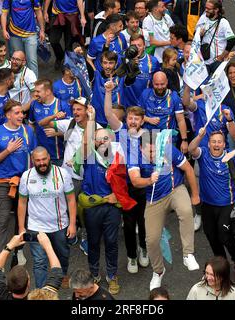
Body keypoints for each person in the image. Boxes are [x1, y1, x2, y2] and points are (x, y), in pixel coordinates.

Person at [128, 130, 200, 291]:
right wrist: (148, 180)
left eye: (157, 150)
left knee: (186, 211)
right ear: (141, 149)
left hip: (175, 189)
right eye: (151, 151)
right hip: (153, 199)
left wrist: (195, 195)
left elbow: (188, 169)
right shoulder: (134, 157)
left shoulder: (168, 149)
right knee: (151, 240)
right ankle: (158, 271)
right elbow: (134, 181)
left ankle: (188, 254)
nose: (155, 154)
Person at [188, 129, 235, 280]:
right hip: (207, 204)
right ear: (209, 144)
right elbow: (191, 149)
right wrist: (199, 135)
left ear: (224, 144)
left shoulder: (230, 155)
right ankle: (221, 264)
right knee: (211, 235)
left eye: (219, 142)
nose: (216, 144)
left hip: (227, 203)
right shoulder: (203, 153)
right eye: (213, 142)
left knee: (224, 234)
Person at [41, 97, 103, 256]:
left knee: (87, 209)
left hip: (89, 177)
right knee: (67, 206)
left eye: (79, 109)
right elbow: (42, 123)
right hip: (69, 176)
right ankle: (70, 232)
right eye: (74, 109)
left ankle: (86, 237)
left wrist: (92, 121)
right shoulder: (69, 123)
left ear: (87, 111)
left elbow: (88, 145)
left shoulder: (97, 128)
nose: (75, 112)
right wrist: (55, 118)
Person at [78, 105, 128, 295]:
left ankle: (112, 275)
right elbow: (85, 143)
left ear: (111, 139)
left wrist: (118, 195)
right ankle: (93, 274)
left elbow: (125, 181)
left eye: (105, 138)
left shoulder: (118, 157)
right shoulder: (89, 156)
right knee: (93, 241)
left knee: (112, 241)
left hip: (112, 206)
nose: (102, 142)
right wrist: (91, 118)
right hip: (93, 207)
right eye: (98, 140)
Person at [104, 80, 149, 274]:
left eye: (136, 119)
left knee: (144, 221)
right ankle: (132, 256)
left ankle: (144, 249)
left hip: (145, 186)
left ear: (142, 121)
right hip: (125, 187)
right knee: (129, 225)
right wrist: (108, 91)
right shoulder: (121, 130)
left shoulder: (149, 136)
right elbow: (107, 113)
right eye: (130, 118)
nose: (132, 121)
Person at [17, 147, 77, 289]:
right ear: (33, 161)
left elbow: (71, 199)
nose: (42, 163)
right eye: (38, 160)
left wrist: (73, 224)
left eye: (44, 159)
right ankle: (42, 291)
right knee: (39, 262)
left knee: (63, 255)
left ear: (49, 157)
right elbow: (22, 202)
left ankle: (61, 276)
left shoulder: (62, 174)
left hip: (60, 226)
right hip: (35, 227)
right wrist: (21, 228)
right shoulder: (26, 176)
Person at [0, 99, 37, 262]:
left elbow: (34, 155)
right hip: (3, 182)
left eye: (22, 112)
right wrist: (8, 150)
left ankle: (19, 250)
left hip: (24, 183)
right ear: (8, 115)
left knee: (22, 219)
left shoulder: (28, 131)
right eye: (17, 113)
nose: (21, 115)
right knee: (2, 221)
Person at [0, 232, 63, 300]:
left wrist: (9, 246)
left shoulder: (0, 295)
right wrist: (48, 246)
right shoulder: (40, 297)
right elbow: (57, 274)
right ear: (28, 283)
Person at [139, 71, 189, 153]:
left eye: (162, 84)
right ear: (152, 83)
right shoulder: (145, 94)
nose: (159, 87)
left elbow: (180, 120)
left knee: (167, 165)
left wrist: (184, 140)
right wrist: (148, 119)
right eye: (156, 84)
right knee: (147, 164)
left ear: (167, 82)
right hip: (148, 137)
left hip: (168, 138)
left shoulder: (174, 97)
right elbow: (137, 115)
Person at [28, 79, 71, 166]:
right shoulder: (34, 104)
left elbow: (72, 131)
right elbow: (31, 124)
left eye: (38, 91)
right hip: (40, 156)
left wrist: (58, 133)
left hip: (58, 155)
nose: (35, 94)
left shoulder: (62, 105)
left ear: (47, 92)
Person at [0, 0, 45, 77]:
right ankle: (19, 83)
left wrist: (42, 30)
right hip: (14, 35)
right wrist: (4, 30)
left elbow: (39, 13)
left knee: (32, 61)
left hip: (30, 33)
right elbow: (4, 14)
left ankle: (33, 85)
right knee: (17, 60)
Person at [43, 0, 86, 71]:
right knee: (53, 40)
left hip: (72, 14)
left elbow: (79, 0)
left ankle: (67, 64)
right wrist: (45, 11)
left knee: (68, 44)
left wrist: (82, 16)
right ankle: (60, 57)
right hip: (57, 13)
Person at [195, 0, 235, 74]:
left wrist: (222, 57)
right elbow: (195, 35)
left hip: (216, 61)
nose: (206, 10)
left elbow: (232, 41)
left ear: (216, 10)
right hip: (203, 60)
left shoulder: (223, 22)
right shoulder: (203, 17)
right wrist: (199, 34)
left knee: (217, 84)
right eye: (205, 8)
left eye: (209, 9)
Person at [122, 33, 160, 108]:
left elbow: (157, 82)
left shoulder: (153, 61)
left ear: (144, 46)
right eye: (133, 46)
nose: (136, 49)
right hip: (127, 104)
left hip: (145, 104)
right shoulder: (123, 59)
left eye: (139, 45)